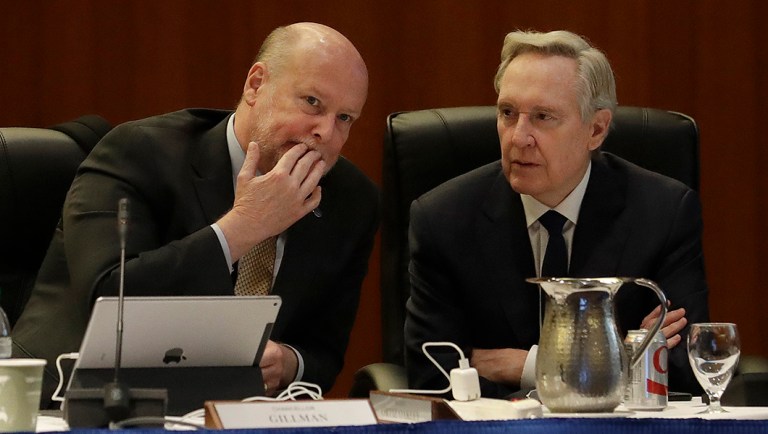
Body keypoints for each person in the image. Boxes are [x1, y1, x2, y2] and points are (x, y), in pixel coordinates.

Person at [12, 22, 379, 408]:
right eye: (312, 102)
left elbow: (324, 349)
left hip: (230, 414)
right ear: (255, 85)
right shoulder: (137, 153)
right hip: (68, 403)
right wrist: (244, 227)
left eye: (345, 118)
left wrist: (288, 363)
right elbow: (112, 297)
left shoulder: (351, 200)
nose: (326, 132)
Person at [404, 29, 709, 398]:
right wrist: (627, 357)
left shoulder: (663, 213)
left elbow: (684, 368)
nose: (518, 137)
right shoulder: (443, 219)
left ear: (596, 129)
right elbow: (432, 373)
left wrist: (523, 366)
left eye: (543, 117)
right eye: (507, 113)